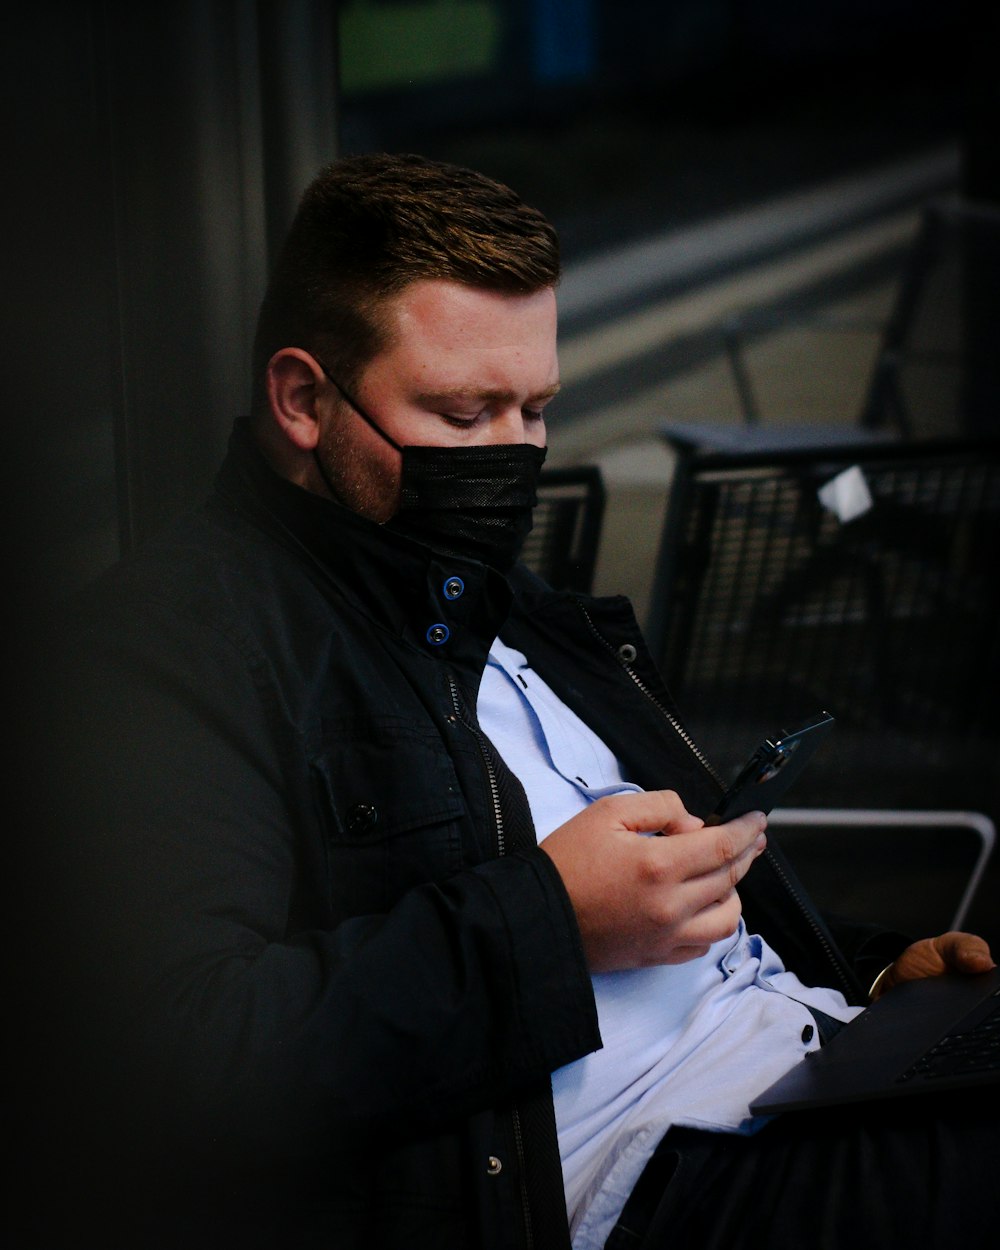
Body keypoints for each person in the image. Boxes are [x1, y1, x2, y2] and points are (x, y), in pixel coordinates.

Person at [18, 153, 997, 1250]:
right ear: (302, 398)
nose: (511, 457)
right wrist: (554, 921)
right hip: (657, 1170)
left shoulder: (521, 610)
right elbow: (178, 1061)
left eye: (534, 410)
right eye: (463, 411)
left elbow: (693, 910)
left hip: (817, 1054)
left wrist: (866, 966)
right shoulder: (167, 656)